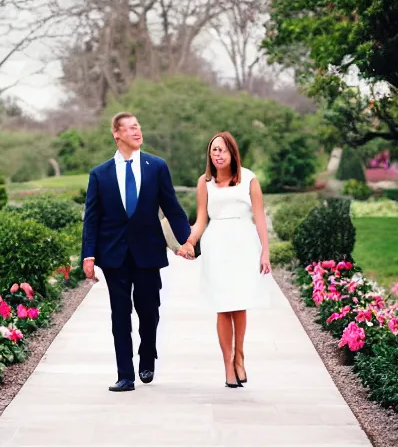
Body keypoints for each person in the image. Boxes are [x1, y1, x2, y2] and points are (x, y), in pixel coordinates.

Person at [82, 112, 190, 392]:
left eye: (138, 126)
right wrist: (88, 255)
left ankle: (147, 355)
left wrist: (188, 241)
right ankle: (125, 374)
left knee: (149, 311)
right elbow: (92, 218)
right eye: (130, 128)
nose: (137, 131)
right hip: (114, 255)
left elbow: (172, 207)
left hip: (148, 252)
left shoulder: (156, 166)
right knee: (120, 314)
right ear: (116, 134)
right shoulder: (100, 174)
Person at [177, 132, 271, 388]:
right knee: (222, 305)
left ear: (232, 153)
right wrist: (189, 243)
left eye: (222, 150)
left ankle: (239, 355)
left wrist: (265, 251)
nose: (217, 154)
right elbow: (200, 221)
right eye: (214, 150)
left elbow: (260, 218)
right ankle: (228, 365)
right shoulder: (204, 182)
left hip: (244, 244)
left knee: (239, 304)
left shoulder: (249, 179)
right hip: (216, 245)